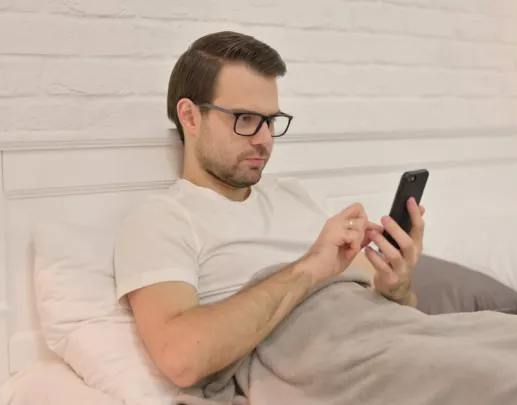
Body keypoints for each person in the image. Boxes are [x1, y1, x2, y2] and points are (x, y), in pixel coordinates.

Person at [113, 31, 427, 389]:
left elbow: (401, 312)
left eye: (270, 121)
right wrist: (310, 266)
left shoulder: (295, 195)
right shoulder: (161, 219)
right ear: (190, 117)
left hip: (400, 342)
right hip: (337, 368)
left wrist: (397, 287)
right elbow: (180, 357)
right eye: (245, 119)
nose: (264, 139)